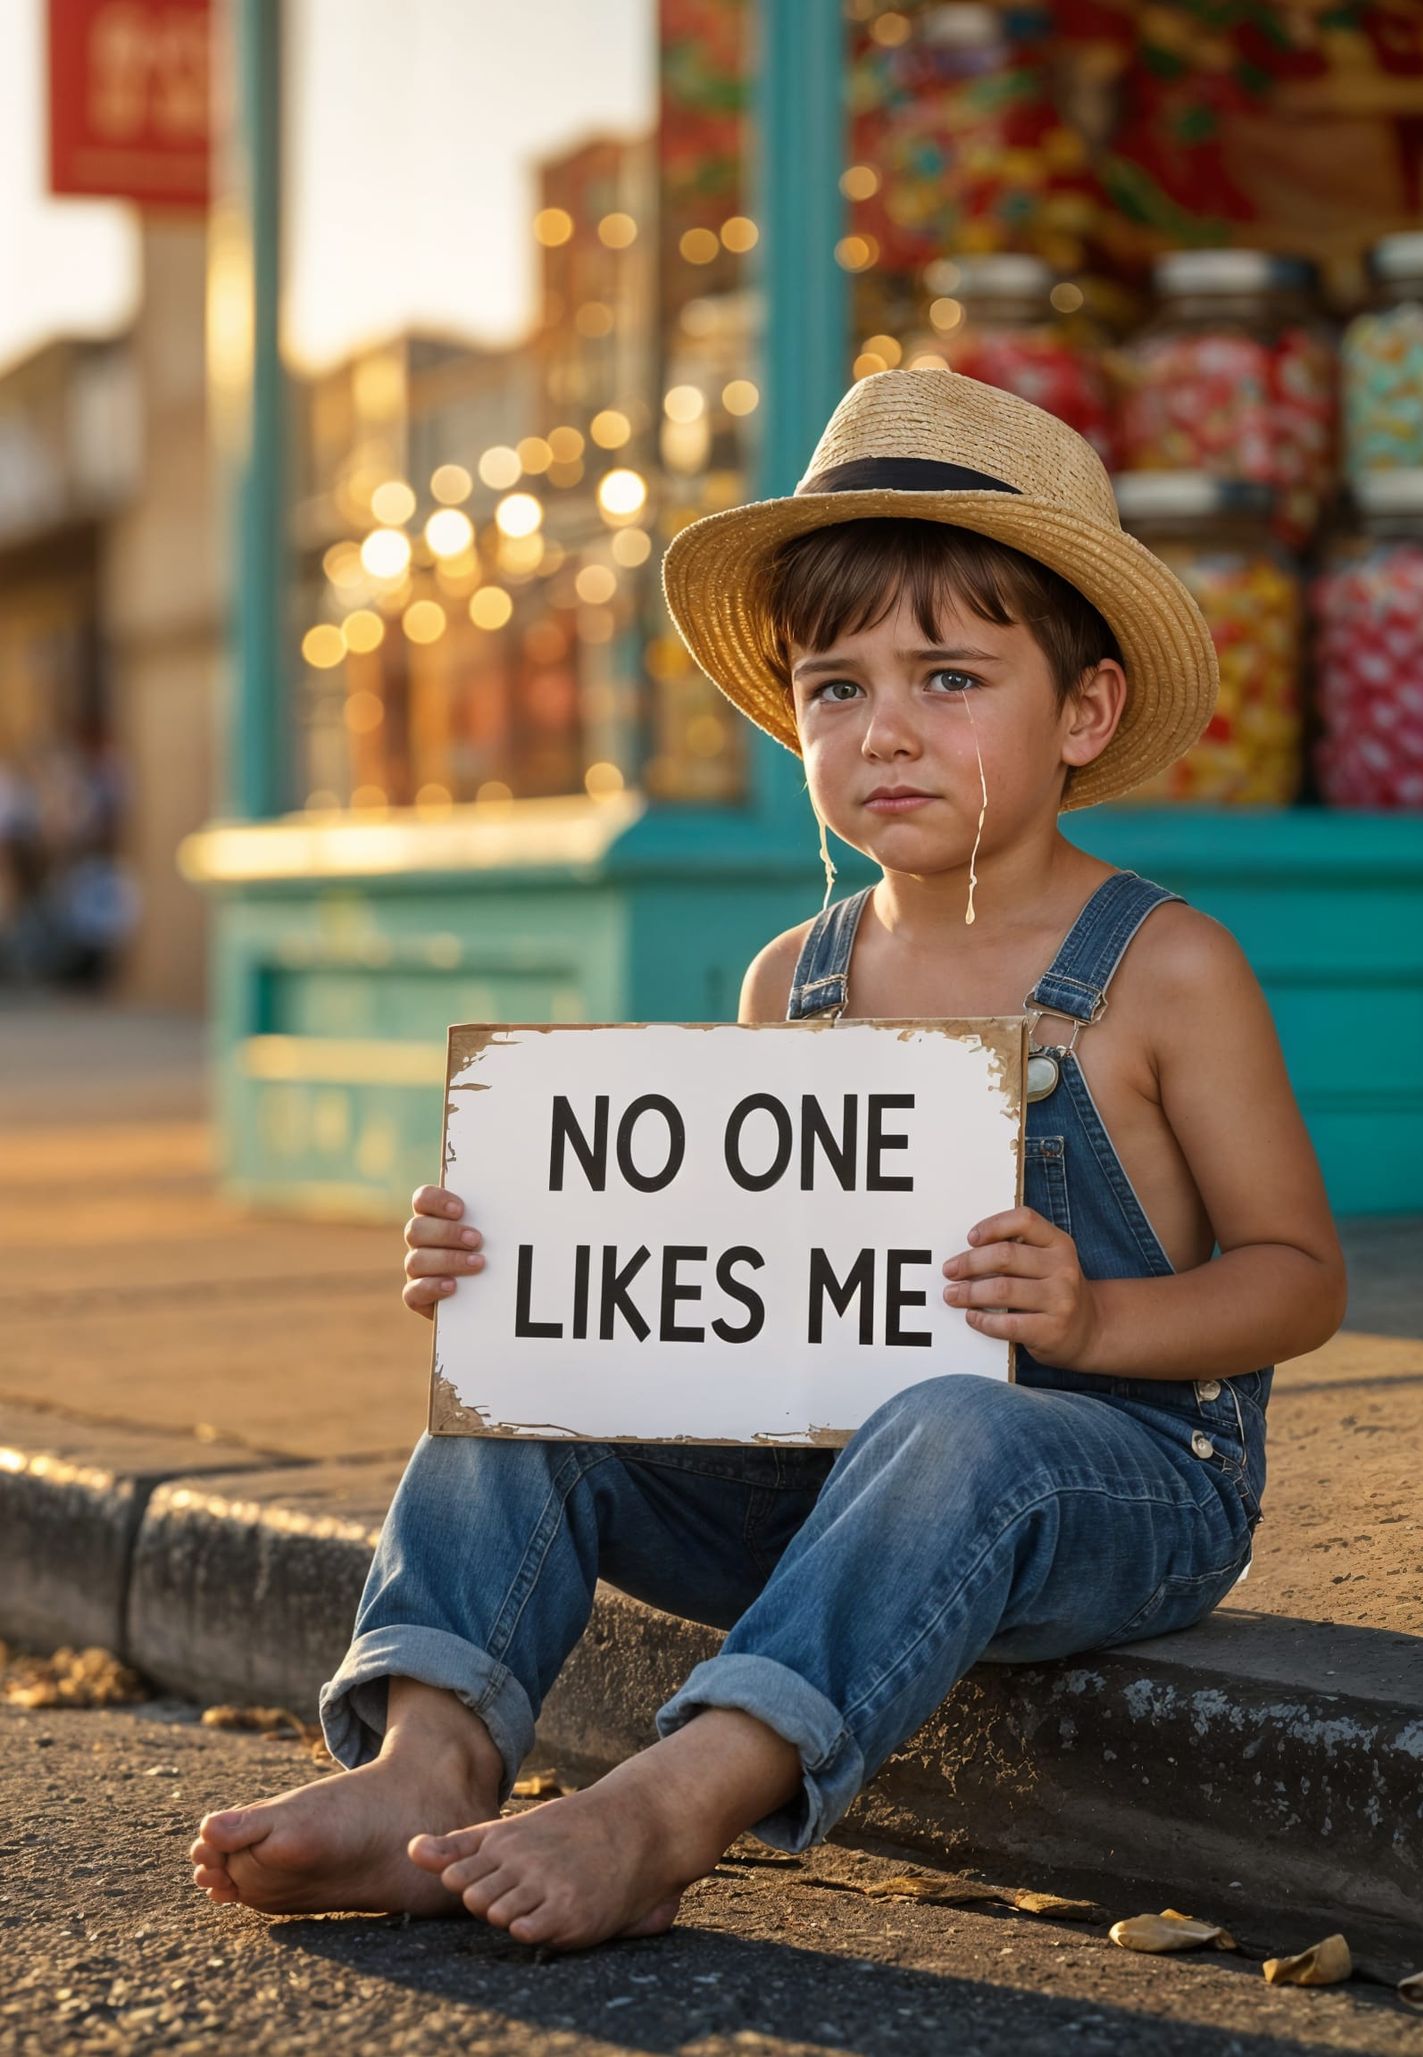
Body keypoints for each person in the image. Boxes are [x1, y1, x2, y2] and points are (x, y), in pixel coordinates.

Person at [190, 369, 1346, 1950]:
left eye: (949, 678)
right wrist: (523, 1273)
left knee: (960, 1420)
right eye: (835, 687)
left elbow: (1299, 1277)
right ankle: (427, 1757)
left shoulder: (1162, 968)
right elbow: (739, 1306)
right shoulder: (788, 976)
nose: (884, 731)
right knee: (537, 1378)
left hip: (1119, 1480)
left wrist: (1096, 1326)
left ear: (1081, 711)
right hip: (830, 1484)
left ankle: (681, 1801)